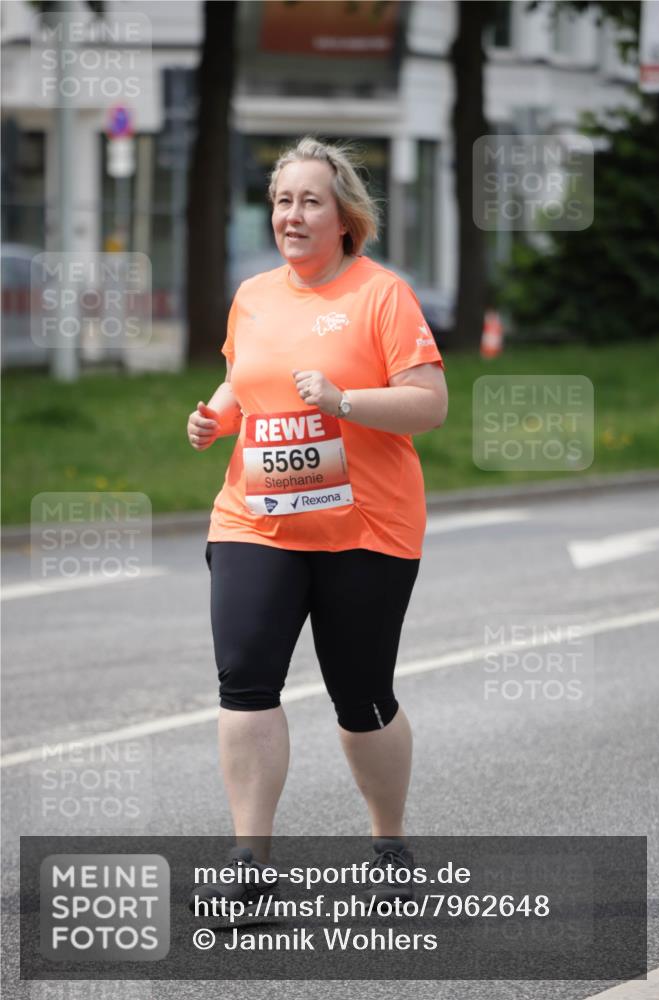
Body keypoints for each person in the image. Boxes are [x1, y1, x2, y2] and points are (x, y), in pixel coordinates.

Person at [187, 137, 447, 907]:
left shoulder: (380, 295)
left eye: (308, 202)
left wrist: (343, 402)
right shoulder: (255, 294)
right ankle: (249, 864)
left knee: (361, 697)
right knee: (245, 683)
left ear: (342, 219)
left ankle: (388, 841)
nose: (290, 216)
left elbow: (428, 404)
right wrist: (215, 416)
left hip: (364, 527)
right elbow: (244, 374)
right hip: (255, 519)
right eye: (280, 201)